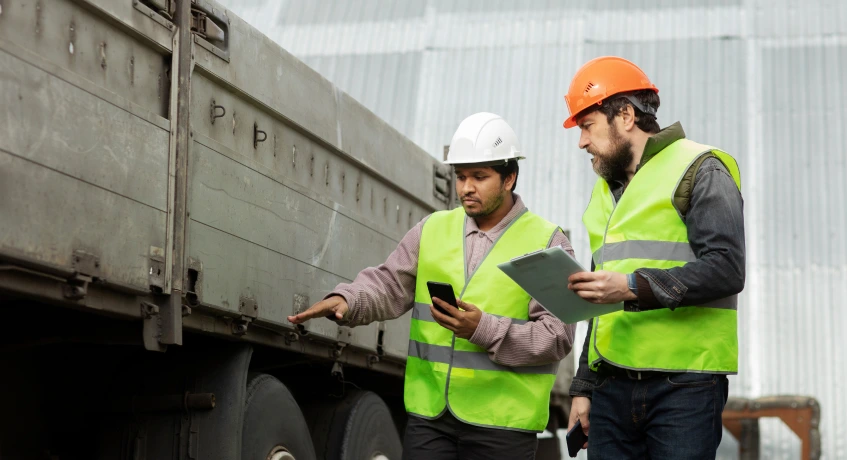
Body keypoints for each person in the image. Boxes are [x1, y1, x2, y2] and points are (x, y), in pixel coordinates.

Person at [289, 112, 575, 460]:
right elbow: (388, 284)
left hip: (503, 425)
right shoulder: (432, 229)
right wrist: (347, 300)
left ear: (509, 178)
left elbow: (557, 336)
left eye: (480, 177)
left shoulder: (547, 241)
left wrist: (483, 329)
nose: (466, 188)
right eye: (460, 177)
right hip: (430, 419)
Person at [561, 56, 745, 459]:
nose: (581, 142)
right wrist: (584, 386)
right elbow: (600, 302)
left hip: (684, 388)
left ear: (625, 115)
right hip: (611, 388)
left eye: (587, 126)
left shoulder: (701, 168)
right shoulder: (604, 193)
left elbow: (726, 268)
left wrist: (629, 286)